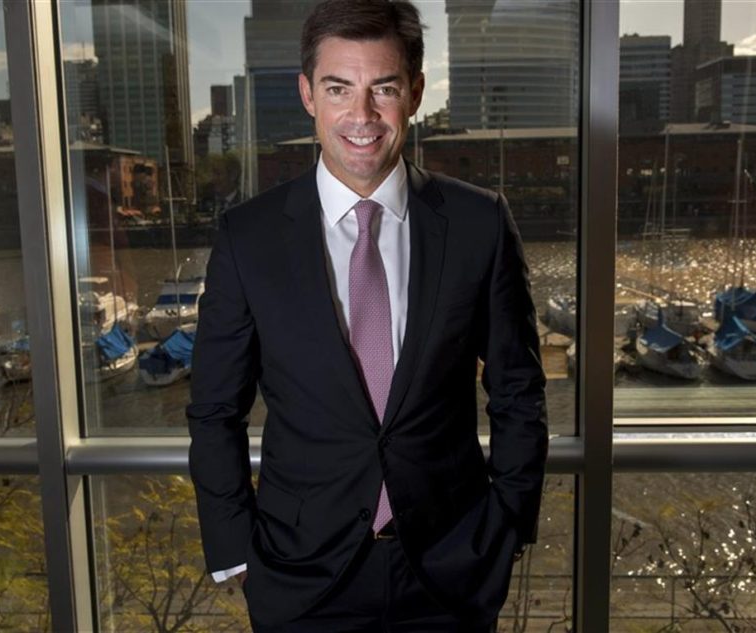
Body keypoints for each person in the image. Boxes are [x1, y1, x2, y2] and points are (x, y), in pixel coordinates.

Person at [187, 1, 548, 630]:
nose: (362, 115)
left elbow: (518, 391)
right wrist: (236, 551)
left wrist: (507, 527)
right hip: (300, 577)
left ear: (414, 93)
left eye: (383, 88)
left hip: (451, 573)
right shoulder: (248, 237)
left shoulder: (479, 223)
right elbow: (215, 409)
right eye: (338, 89)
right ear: (308, 94)